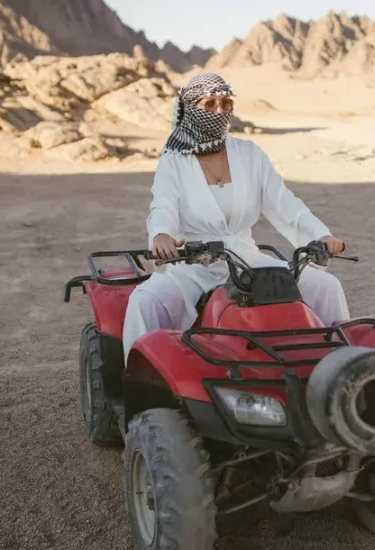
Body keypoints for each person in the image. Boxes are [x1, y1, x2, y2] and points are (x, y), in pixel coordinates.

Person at [122, 72, 350, 365]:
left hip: (248, 261)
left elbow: (284, 205)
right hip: (194, 267)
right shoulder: (173, 160)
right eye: (210, 104)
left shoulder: (249, 154)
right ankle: (141, 387)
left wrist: (320, 237)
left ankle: (338, 369)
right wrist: (161, 235)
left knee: (326, 286)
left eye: (225, 103)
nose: (219, 111)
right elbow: (162, 206)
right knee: (145, 301)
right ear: (190, 109)